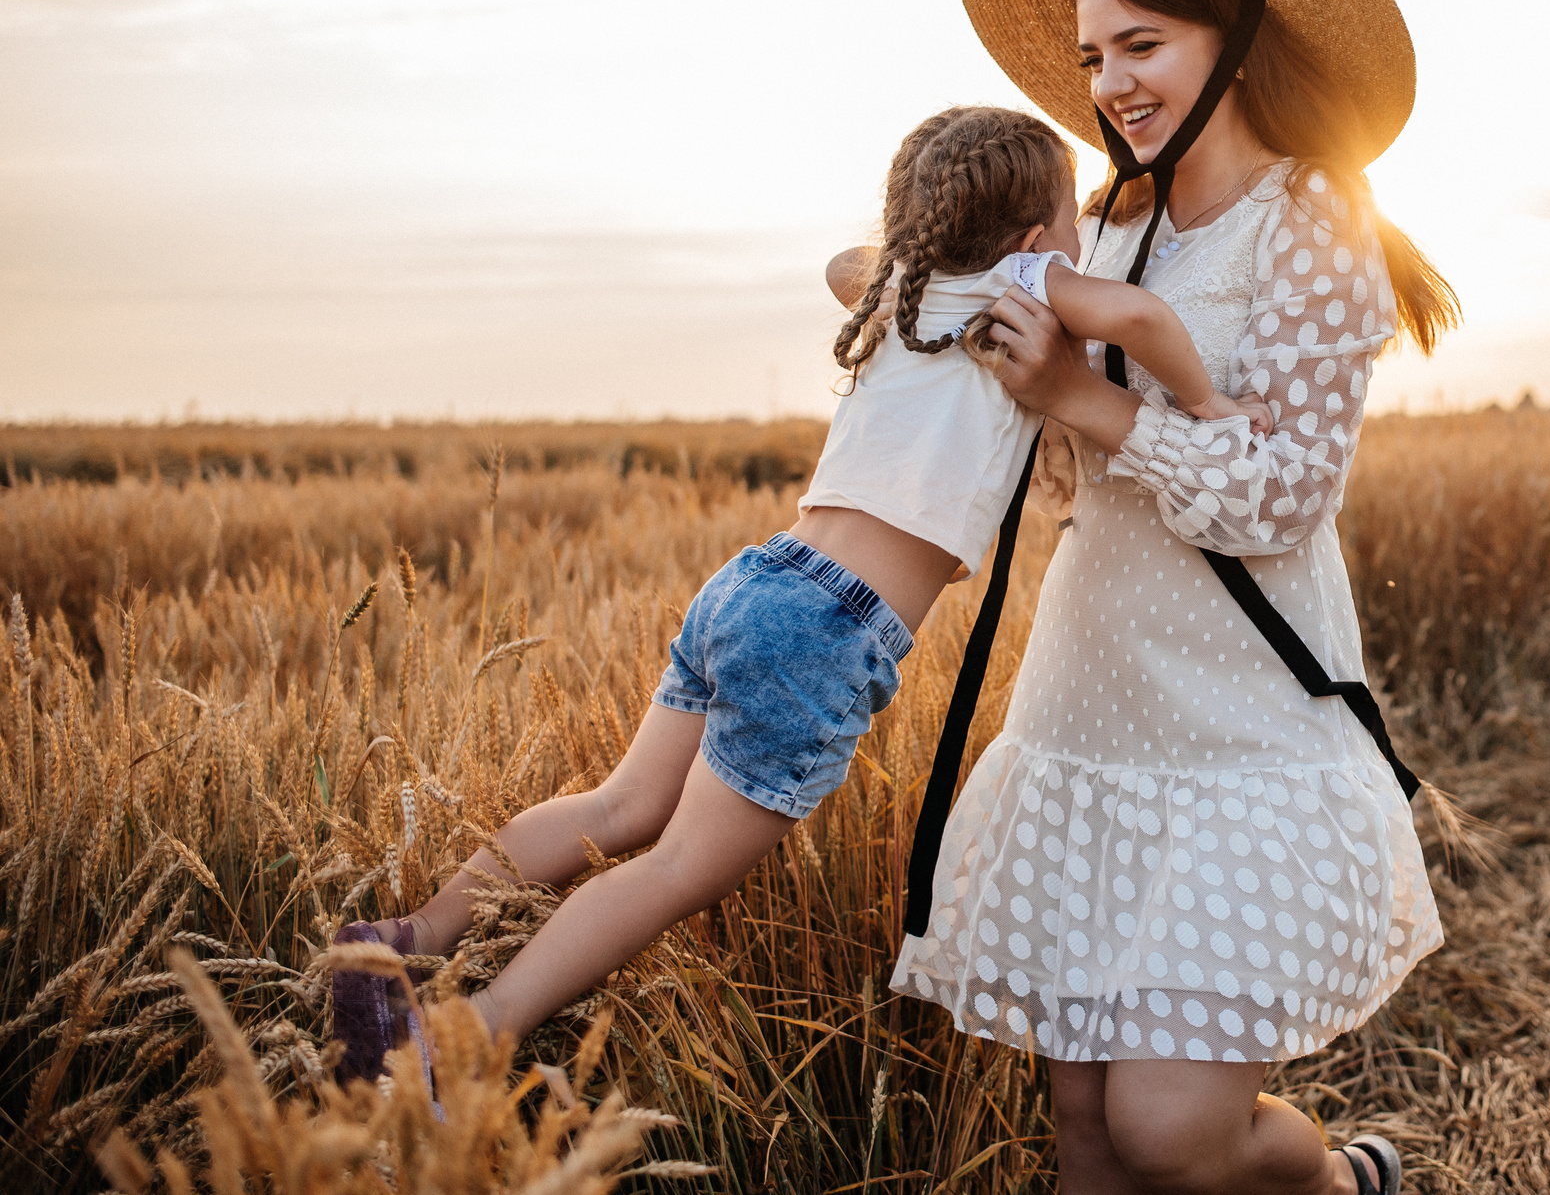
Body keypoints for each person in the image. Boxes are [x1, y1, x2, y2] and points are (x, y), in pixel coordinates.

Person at [326, 104, 1261, 1086]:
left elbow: (840, 266)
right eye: (1072, 219)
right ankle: (458, 1044)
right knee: (674, 867)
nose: (1081, 238)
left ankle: (400, 941)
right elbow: (1142, 317)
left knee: (621, 803)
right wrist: (1209, 403)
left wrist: (918, 254)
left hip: (756, 579)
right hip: (826, 628)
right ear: (1034, 238)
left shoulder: (900, 288)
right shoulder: (1025, 284)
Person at [888, 0, 1460, 1195]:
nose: (1110, 84)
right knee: (1086, 1133)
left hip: (1237, 727)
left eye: (1140, 45)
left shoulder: (1311, 218)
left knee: (1169, 1134)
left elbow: (1281, 498)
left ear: (1237, 42)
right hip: (1089, 707)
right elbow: (898, 278)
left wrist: (1083, 394)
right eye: (1093, 56)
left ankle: (1341, 1182)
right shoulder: (1106, 225)